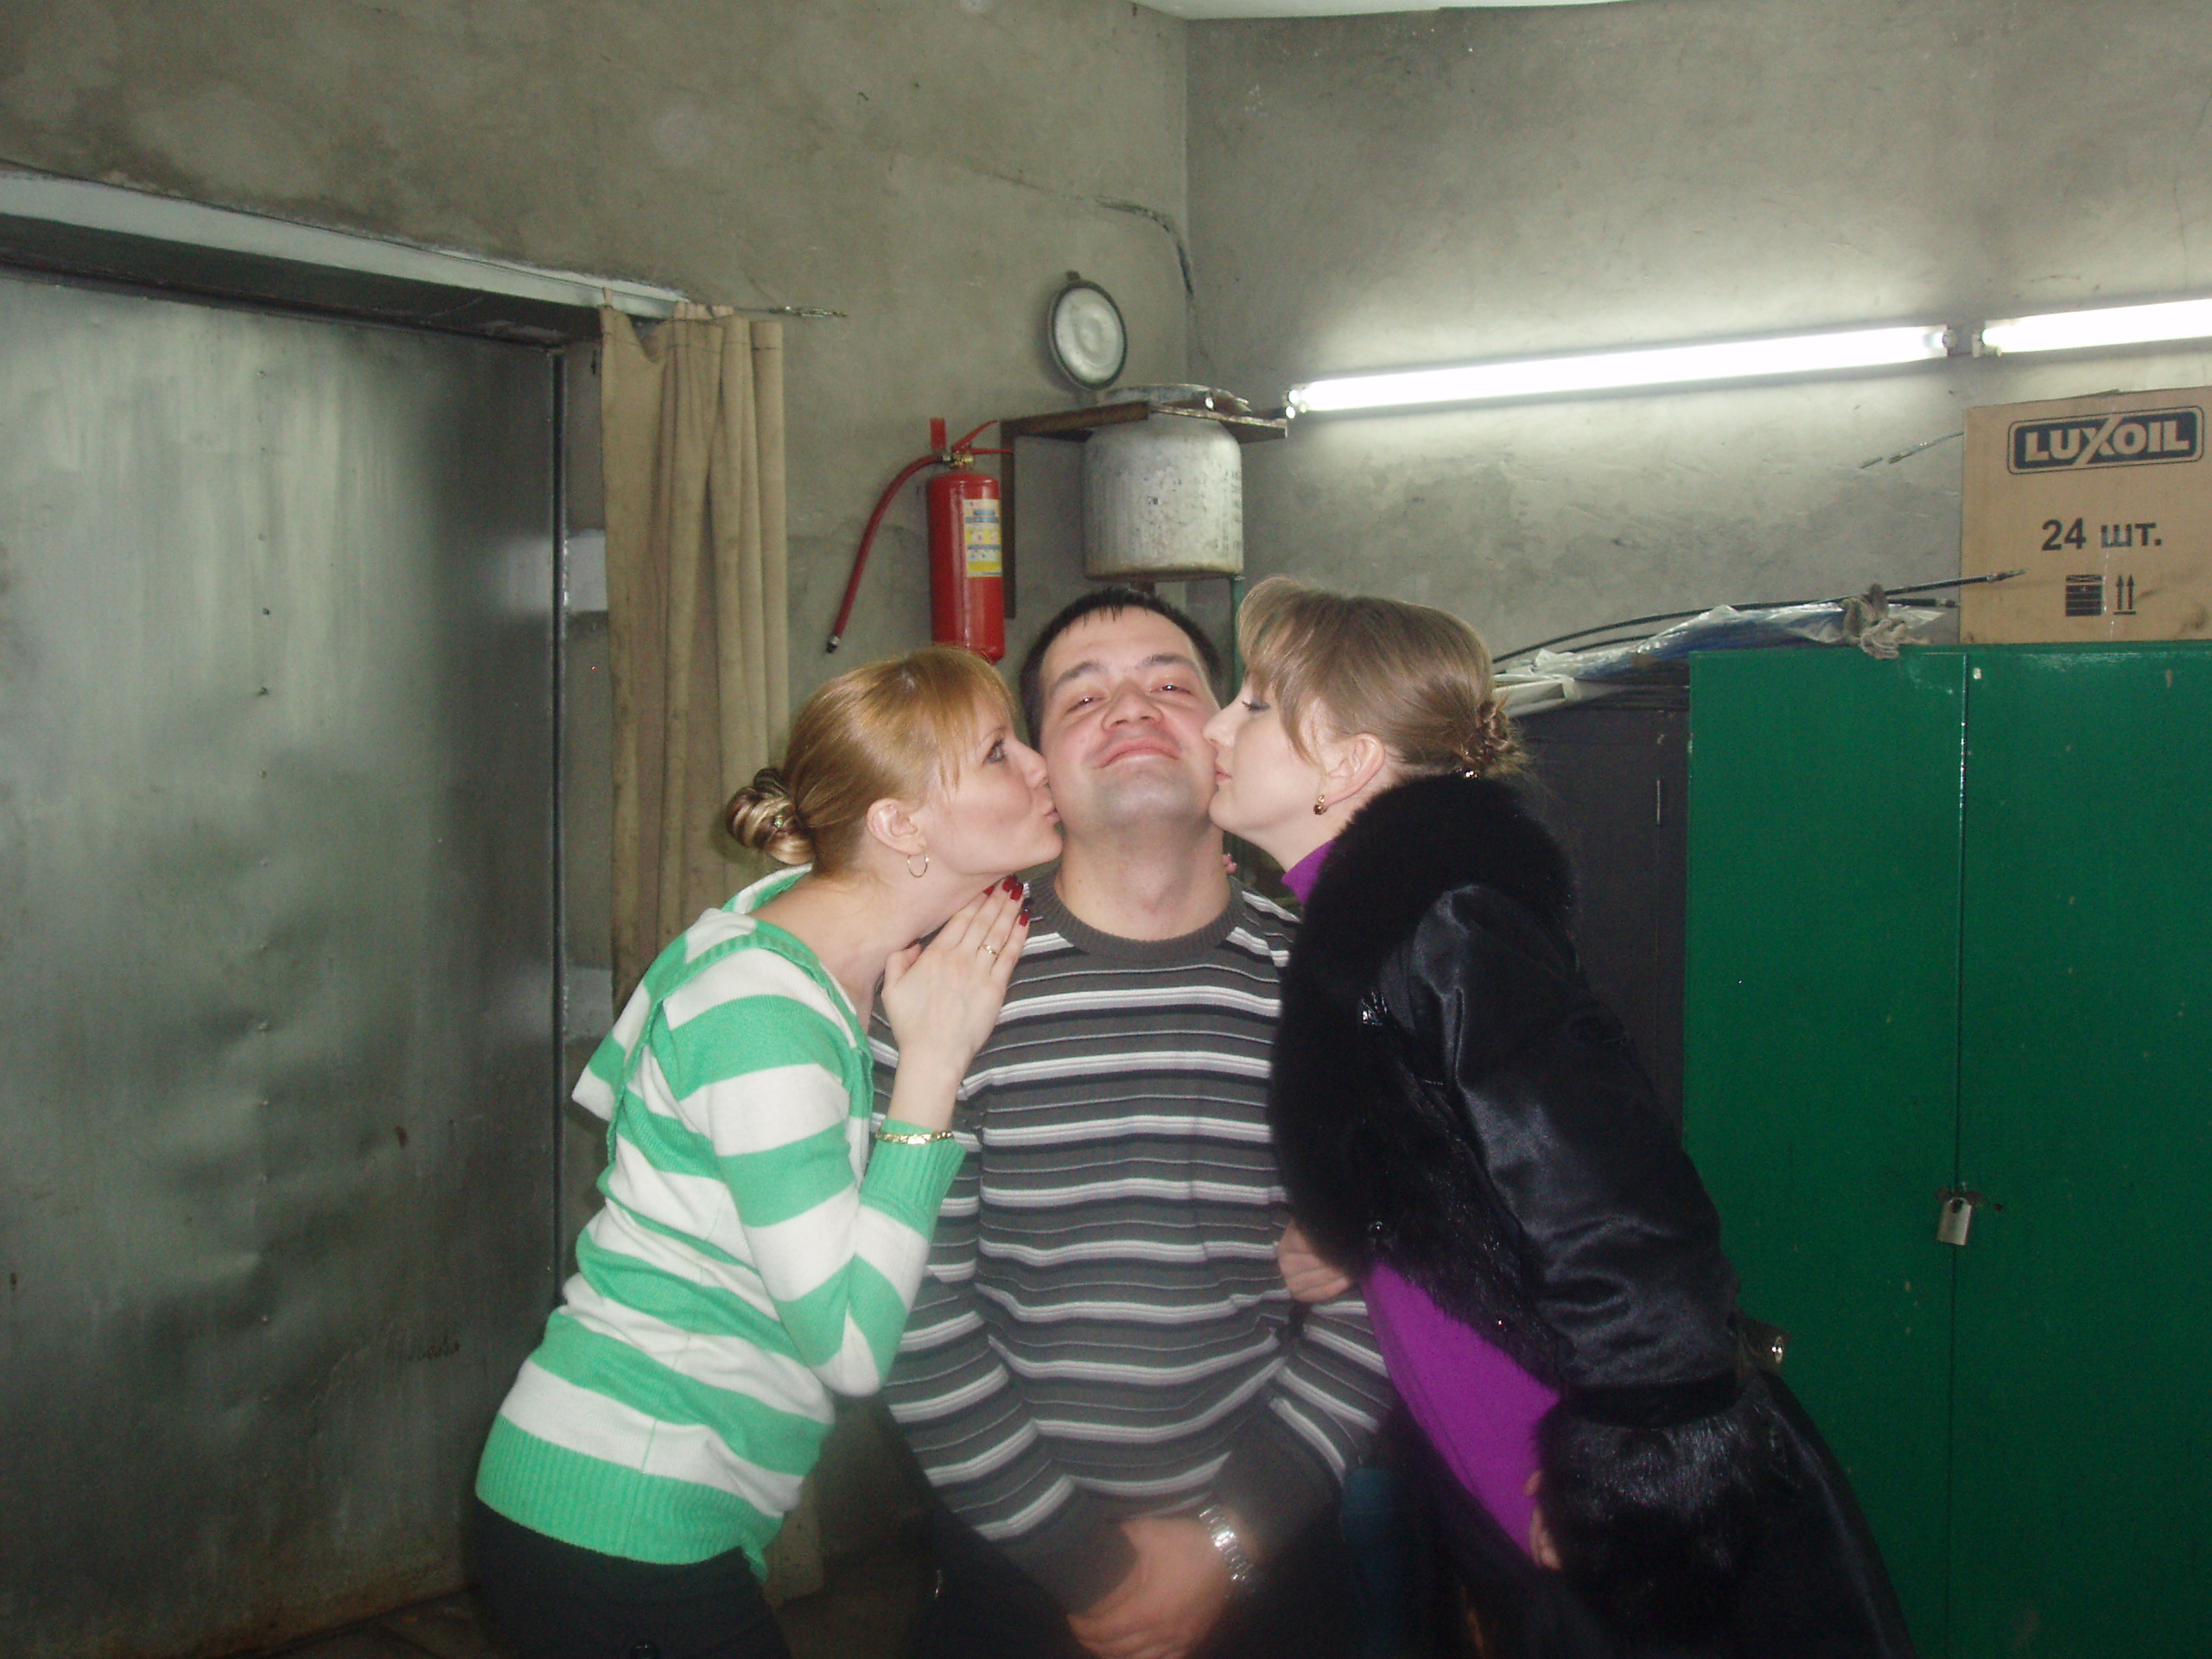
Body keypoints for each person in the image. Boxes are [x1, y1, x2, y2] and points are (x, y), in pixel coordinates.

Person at [1203, 577, 1914, 1658]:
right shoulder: (1369, 926)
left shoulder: (1440, 923)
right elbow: (1468, 1162)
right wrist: (1361, 1233)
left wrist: (1637, 1468)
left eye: (1253, 704)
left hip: (1620, 1528)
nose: (1217, 727)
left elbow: (1623, 1206)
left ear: (1346, 763)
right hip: (1514, 1497)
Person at [472, 645, 1061, 1659]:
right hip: (623, 1514)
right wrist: (932, 1067)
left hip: (633, 1511)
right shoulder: (763, 1009)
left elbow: (622, 1092)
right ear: (900, 826)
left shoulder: (779, 927)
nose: (1040, 764)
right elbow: (849, 1348)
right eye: (1000, 752)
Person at [877, 588, 1396, 1659]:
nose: (1129, 708)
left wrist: (1227, 1541)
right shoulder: (945, 987)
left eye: (1170, 684)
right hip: (1016, 1570)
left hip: (1273, 1559)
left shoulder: (1337, 985)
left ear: (1225, 742)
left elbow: (1383, 1294)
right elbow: (912, 1314)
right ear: (1037, 770)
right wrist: (1090, 1569)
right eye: (1082, 697)